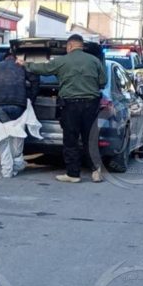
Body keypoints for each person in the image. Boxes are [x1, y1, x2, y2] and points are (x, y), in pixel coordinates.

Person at [18, 34, 107, 183]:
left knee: (71, 140)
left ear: (70, 46)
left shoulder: (62, 61)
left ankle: (73, 174)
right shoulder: (95, 61)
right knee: (90, 139)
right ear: (82, 45)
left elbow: (43, 69)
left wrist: (24, 64)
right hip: (91, 105)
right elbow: (103, 82)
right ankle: (96, 171)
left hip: (71, 105)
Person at [0, 51, 41, 178]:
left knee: (2, 137)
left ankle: (7, 170)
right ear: (15, 58)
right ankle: (17, 164)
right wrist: (30, 98)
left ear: (4, 59)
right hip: (18, 106)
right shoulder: (21, 67)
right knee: (17, 135)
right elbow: (35, 80)